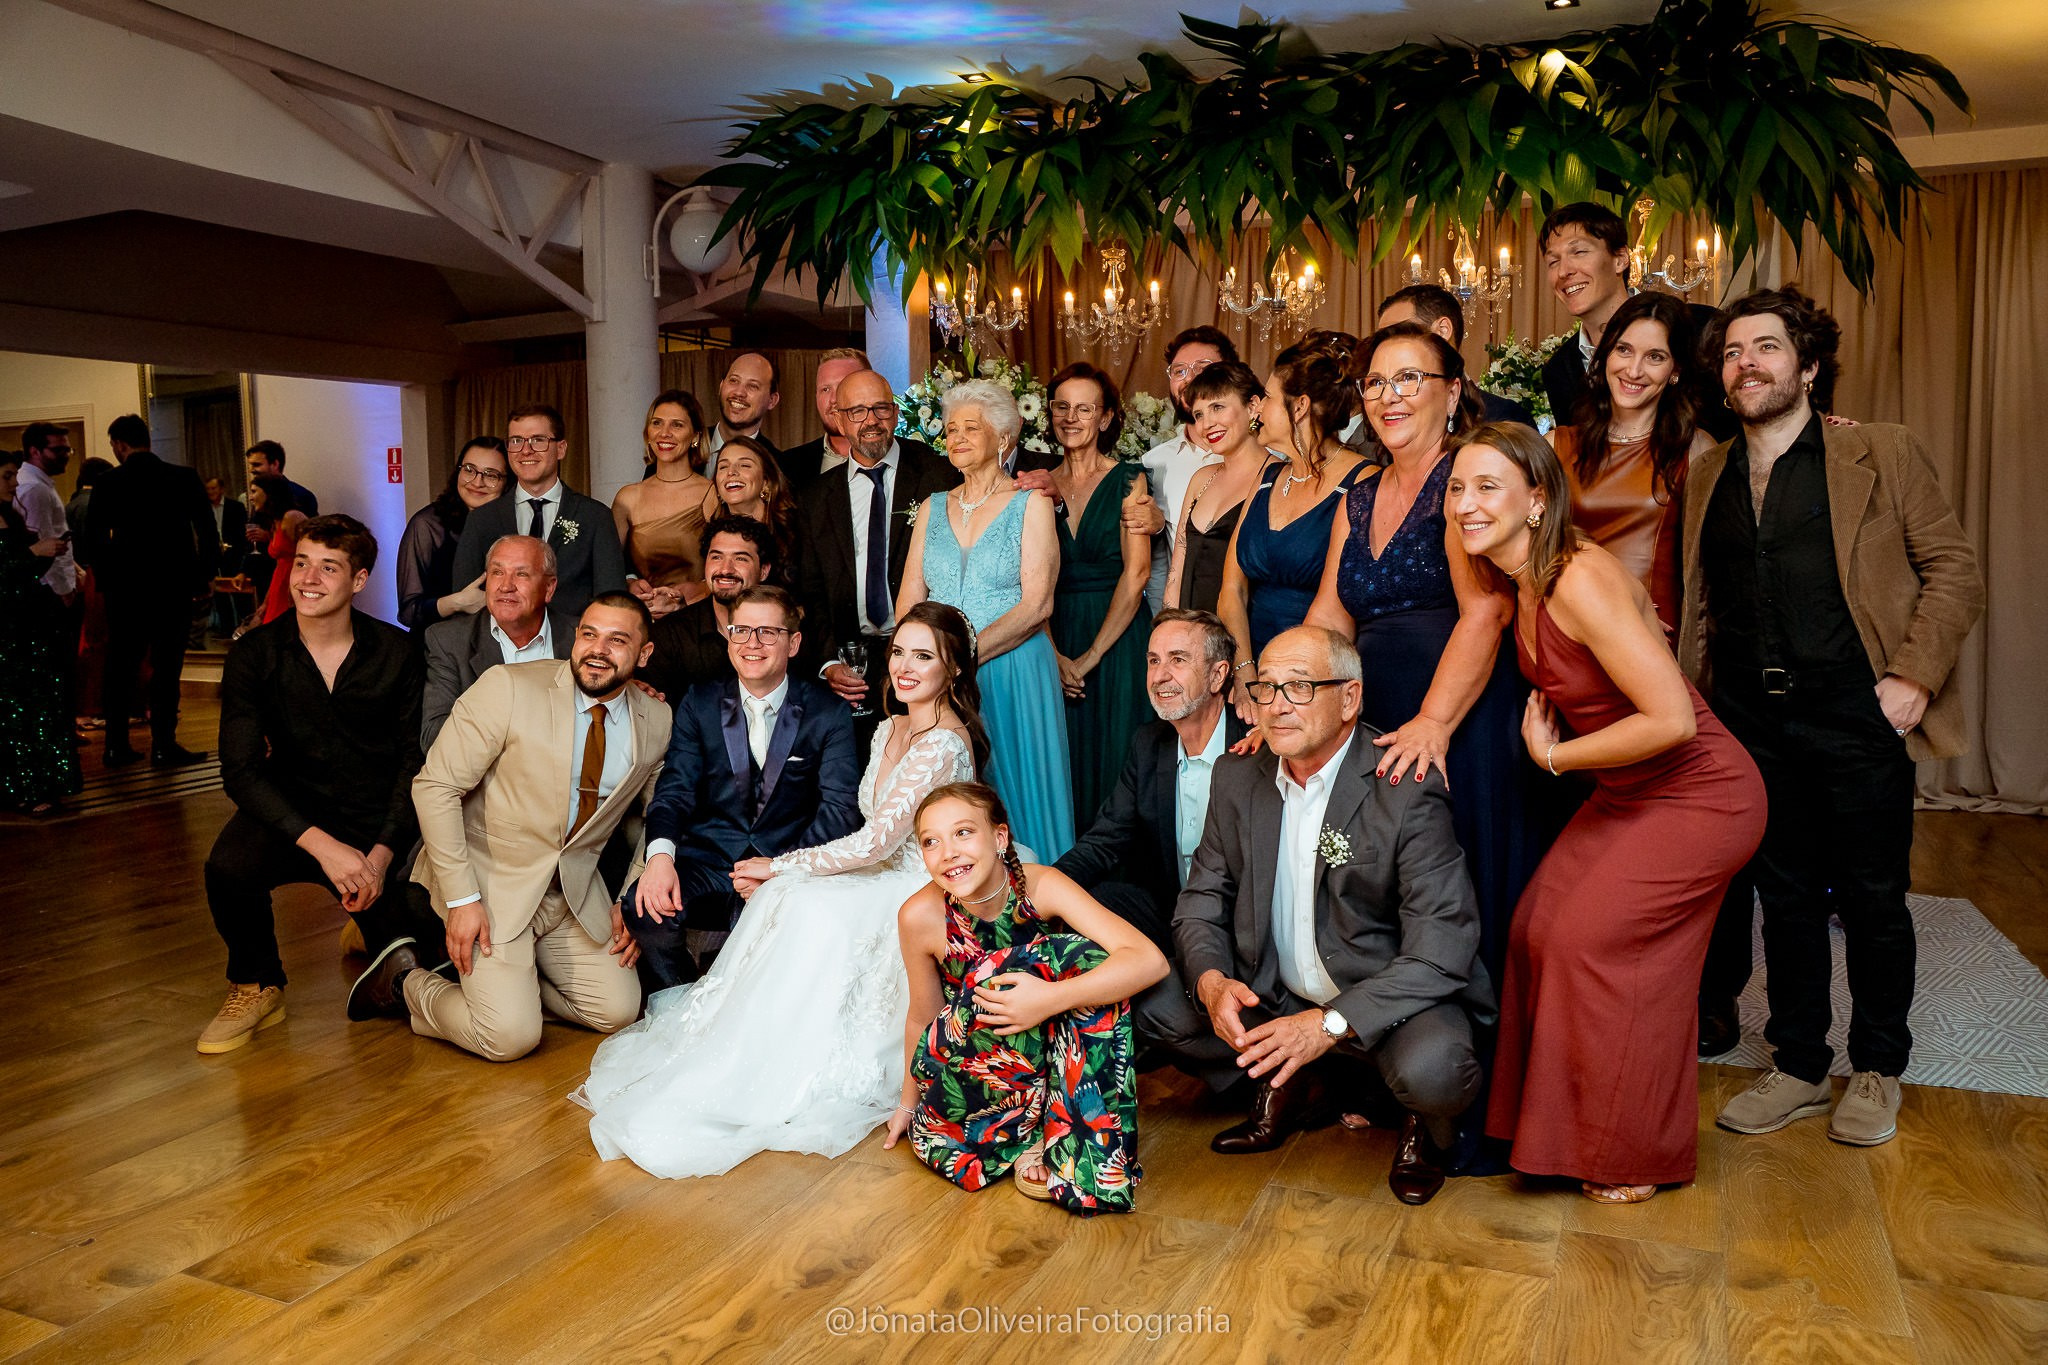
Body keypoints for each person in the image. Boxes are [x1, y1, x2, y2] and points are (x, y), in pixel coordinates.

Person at [1683, 287, 1984, 1148]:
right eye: (1735, 352)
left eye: (1767, 347)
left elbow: (1954, 570)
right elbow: (1698, 601)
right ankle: (1801, 1063)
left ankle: (1877, 1064)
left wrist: (1912, 678)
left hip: (1858, 712)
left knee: (1872, 896)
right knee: (1781, 894)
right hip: (1749, 716)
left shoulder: (1880, 453)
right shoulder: (1708, 472)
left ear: (1807, 366)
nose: (1748, 363)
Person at [1447, 423, 1764, 1202]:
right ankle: (1548, 1133)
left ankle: (1629, 1151)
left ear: (1537, 498)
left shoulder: (1574, 578)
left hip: (1700, 793)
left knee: (1592, 942)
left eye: (1488, 486)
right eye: (1457, 487)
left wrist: (1553, 757)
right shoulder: (1520, 577)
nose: (1465, 503)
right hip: (1630, 791)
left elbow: (1673, 719)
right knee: (1534, 928)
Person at [578, 601, 981, 1177]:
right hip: (838, 865)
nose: (905, 667)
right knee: (792, 899)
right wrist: (671, 856)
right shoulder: (890, 726)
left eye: (924, 656)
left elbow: (870, 842)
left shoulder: (941, 744)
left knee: (804, 904)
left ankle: (788, 1059)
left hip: (914, 883)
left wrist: (781, 865)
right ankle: (740, 1039)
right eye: (898, 652)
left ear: (954, 669)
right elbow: (864, 831)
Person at [1172, 626, 1490, 1206]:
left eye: (1298, 687)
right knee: (1158, 1006)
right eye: (1265, 688)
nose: (1276, 706)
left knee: (1434, 1071)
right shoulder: (1237, 775)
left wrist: (1325, 1025)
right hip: (1278, 989)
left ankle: (1415, 1121)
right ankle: (1307, 1084)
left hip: (1383, 1001)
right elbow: (1201, 902)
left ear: (1349, 699)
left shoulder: (1405, 786)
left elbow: (1442, 949)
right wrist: (1213, 983)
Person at [1306, 322, 1540, 985]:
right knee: (1389, 889)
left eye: (1410, 378)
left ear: (1453, 390)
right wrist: (1291, 693)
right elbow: (1329, 615)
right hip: (1379, 715)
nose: (1390, 395)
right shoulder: (1357, 495)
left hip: (1458, 714)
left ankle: (1474, 1064)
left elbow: (1487, 610)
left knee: (1460, 886)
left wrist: (1434, 723)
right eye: (1376, 381)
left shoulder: (1461, 479)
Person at [351, 594, 670, 1060]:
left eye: (617, 640)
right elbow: (435, 787)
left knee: (619, 1011)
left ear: (644, 655)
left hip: (572, 892)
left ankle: (512, 989)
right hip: (491, 884)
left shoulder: (656, 718)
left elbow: (662, 811)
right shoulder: (508, 688)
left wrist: (632, 890)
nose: (597, 649)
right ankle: (402, 983)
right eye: (588, 634)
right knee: (508, 1039)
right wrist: (463, 899)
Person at [199, 515, 437, 1053]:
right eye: (302, 563)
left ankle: (366, 925)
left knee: (418, 962)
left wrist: (377, 857)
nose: (309, 578)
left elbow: (413, 764)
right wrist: (326, 850)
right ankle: (257, 985)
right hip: (293, 810)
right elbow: (240, 770)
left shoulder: (397, 654)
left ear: (358, 580)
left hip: (375, 818)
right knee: (227, 868)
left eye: (329, 567)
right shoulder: (254, 653)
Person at [886, 782, 1167, 1213]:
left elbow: (1148, 961)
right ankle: (1030, 1135)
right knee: (1007, 969)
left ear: (1000, 838)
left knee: (1085, 957)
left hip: (1046, 1055)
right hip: (974, 1068)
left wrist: (1051, 998)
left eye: (963, 832)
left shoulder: (1041, 886)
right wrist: (908, 1104)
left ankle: (1062, 1141)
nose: (947, 853)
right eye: (931, 841)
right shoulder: (918, 915)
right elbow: (922, 1017)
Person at [610, 584, 864, 987]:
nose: (752, 642)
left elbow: (839, 810)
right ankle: (683, 1000)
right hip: (707, 858)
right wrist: (659, 858)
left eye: (768, 632)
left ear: (793, 643)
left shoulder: (827, 712)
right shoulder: (699, 701)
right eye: (741, 630)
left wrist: (779, 868)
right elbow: (675, 791)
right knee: (644, 908)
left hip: (787, 862)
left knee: (771, 947)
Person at [899, 378, 1073, 861]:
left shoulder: (1030, 504)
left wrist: (961, 655)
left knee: (1019, 794)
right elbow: (909, 601)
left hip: (1014, 672)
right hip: (943, 678)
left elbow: (1038, 604)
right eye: (951, 429)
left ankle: (1039, 913)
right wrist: (923, 661)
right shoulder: (933, 506)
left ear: (1004, 438)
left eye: (970, 428)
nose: (956, 438)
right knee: (955, 806)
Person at [793, 369, 957, 738]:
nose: (871, 421)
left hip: (926, 657)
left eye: (881, 409)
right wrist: (828, 662)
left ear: (896, 413)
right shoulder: (815, 497)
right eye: (857, 411)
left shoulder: (940, 475)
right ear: (837, 418)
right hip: (851, 667)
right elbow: (810, 591)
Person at [1553, 291, 1714, 631]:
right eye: (1623, 350)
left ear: (1675, 371)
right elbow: (1528, 553)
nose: (1634, 370)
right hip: (1570, 627)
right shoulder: (1557, 445)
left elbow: (1713, 566)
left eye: (1655, 357)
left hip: (1652, 633)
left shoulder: (1695, 449)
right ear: (1606, 354)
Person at [1218, 334, 1367, 676]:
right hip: (1249, 666)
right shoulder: (1268, 474)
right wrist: (1245, 675)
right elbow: (1232, 588)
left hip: (1315, 672)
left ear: (1299, 406)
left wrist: (1283, 683)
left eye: (1268, 397)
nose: (1257, 408)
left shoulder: (1362, 481)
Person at [1045, 362, 1152, 826]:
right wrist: (1054, 654)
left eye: (1084, 408)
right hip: (1051, 634)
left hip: (1118, 637)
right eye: (1061, 406)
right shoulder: (1036, 484)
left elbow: (1138, 574)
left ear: (1105, 418)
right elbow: (1025, 580)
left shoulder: (1131, 479)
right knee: (1062, 760)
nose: (1071, 417)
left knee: (1118, 756)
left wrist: (1086, 658)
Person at [81, 413, 216, 767]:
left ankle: (115, 745)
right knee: (167, 666)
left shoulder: (109, 482)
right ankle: (163, 743)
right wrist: (203, 577)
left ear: (121, 445)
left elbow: (93, 539)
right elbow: (206, 531)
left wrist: (109, 581)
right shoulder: (182, 477)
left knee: (121, 666)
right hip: (173, 586)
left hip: (126, 589)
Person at [1536, 202, 1733, 442]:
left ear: (1620, 259)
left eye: (1578, 252)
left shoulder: (1702, 327)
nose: (1564, 271)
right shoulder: (1559, 370)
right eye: (1553, 261)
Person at [452, 403, 627, 621]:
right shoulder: (482, 520)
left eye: (538, 440)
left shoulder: (595, 516)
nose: (526, 450)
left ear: (561, 448)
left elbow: (612, 600)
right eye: (516, 441)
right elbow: (466, 599)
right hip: (499, 649)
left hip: (572, 646)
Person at [421, 534, 575, 748]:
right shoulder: (449, 641)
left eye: (521, 574)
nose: (506, 586)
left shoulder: (581, 638)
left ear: (549, 588)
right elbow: (435, 737)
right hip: (489, 779)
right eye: (497, 572)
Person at [0, 452, 80, 814]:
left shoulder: (8, 516)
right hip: (7, 629)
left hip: (28, 621)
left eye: (14, 475)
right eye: (6, 476)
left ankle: (44, 784)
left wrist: (44, 554)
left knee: (40, 705)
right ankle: (23, 789)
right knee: (17, 709)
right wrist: (34, 552)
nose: (14, 484)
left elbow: (19, 569)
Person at [1140, 325, 1240, 611]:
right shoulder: (1155, 463)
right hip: (1190, 615)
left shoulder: (1270, 458)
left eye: (1203, 367)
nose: (1190, 378)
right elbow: (1159, 565)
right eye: (1179, 370)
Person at [1163, 362, 1268, 616]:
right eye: (1199, 415)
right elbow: (1176, 571)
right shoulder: (1201, 479)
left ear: (1252, 406)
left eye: (1217, 407)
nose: (1206, 424)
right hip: (1191, 633)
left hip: (1248, 631)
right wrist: (1169, 627)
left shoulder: (1277, 476)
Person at [640, 514, 773, 702]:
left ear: (764, 570)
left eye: (741, 559)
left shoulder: (784, 632)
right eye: (717, 557)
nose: (726, 569)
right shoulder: (669, 635)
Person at [613, 389, 716, 617]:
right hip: (643, 619)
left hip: (696, 616)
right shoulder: (627, 498)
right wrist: (628, 583)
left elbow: (729, 566)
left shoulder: (712, 493)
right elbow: (607, 567)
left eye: (677, 425)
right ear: (648, 433)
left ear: (696, 436)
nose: (665, 433)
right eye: (657, 423)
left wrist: (699, 590)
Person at [1375, 284, 1536, 427]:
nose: (1386, 347)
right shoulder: (1383, 418)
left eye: (1400, 334)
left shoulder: (1501, 418)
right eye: (1381, 339)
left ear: (1443, 331)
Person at [395, 437, 509, 632]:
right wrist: (457, 603)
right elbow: (408, 612)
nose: (477, 482)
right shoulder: (427, 525)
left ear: (508, 482)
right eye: (469, 470)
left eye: (491, 475)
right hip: (436, 648)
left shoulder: (515, 524)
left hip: (501, 645)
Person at [17, 425, 81, 736]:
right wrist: (63, 590)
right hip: (50, 592)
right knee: (58, 667)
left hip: (51, 588)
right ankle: (59, 731)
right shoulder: (35, 489)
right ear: (35, 451)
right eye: (58, 450)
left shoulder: (40, 485)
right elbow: (42, 546)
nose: (66, 456)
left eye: (67, 449)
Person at [698, 434, 796, 570]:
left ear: (766, 482)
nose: (731, 472)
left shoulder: (797, 529)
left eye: (744, 465)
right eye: (723, 467)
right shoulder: (713, 535)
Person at [777, 346, 869, 488]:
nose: (833, 399)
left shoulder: (906, 459)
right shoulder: (788, 465)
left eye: (843, 386)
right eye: (825, 389)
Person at [706, 351, 782, 477]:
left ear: (772, 400)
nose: (739, 392)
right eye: (734, 381)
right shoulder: (685, 446)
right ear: (721, 386)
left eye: (752, 386)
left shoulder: (778, 467)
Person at [254, 475, 309, 627]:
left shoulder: (291, 517)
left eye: (254, 492)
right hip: (280, 584)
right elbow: (279, 567)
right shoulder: (275, 521)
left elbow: (308, 556)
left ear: (268, 494)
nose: (251, 497)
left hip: (293, 584)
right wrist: (266, 601)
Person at [244, 440, 319, 518]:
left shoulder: (301, 495)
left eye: (256, 465)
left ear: (275, 464)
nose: (251, 470)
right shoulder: (259, 494)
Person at [204, 475, 247, 562]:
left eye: (213, 488)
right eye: (207, 489)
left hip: (234, 556)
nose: (210, 492)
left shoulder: (236, 507)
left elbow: (242, 533)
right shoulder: (203, 509)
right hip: (211, 557)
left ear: (222, 489)